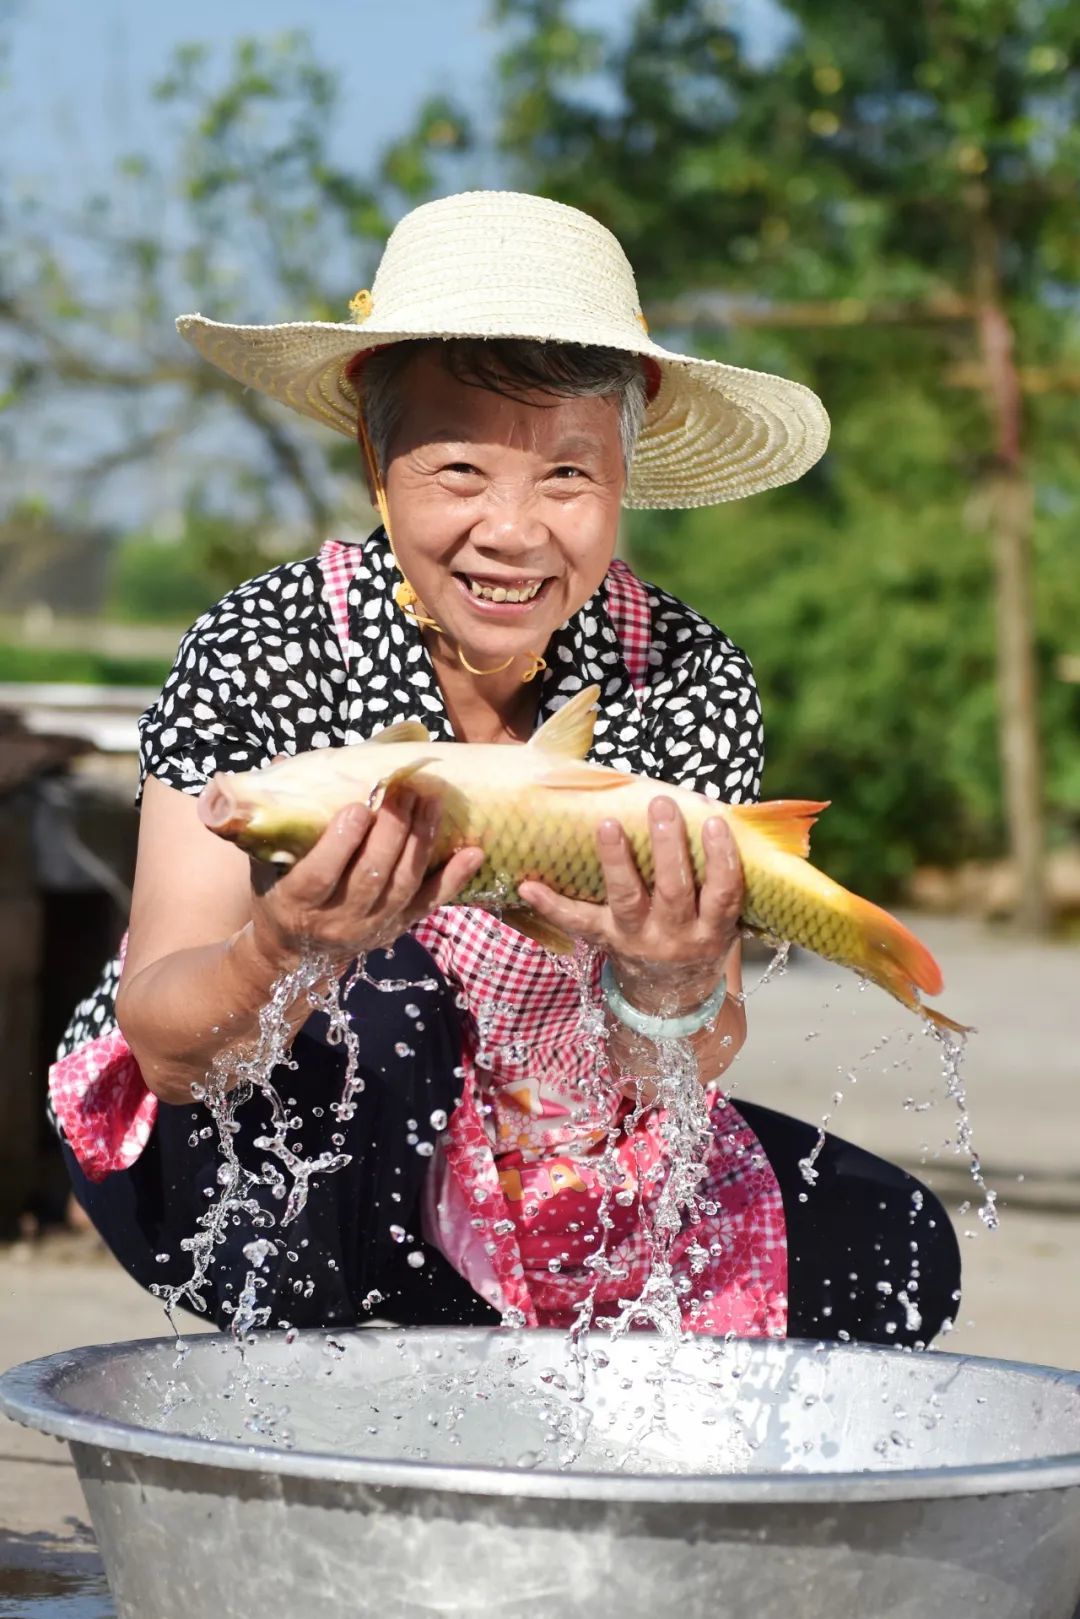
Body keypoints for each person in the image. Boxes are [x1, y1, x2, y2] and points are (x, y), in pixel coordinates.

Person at [50, 190, 959, 1344]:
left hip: (545, 1143)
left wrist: (671, 984)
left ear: (626, 472)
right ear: (379, 460)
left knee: (894, 1243)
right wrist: (293, 945)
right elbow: (170, 1043)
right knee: (384, 1002)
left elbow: (686, 1060)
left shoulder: (687, 674)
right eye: (462, 473)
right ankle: (326, 1406)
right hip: (237, 1153)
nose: (515, 532)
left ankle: (491, 1368)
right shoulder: (260, 642)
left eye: (569, 477)